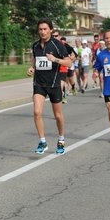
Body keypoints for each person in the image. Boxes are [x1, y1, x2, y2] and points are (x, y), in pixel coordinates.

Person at [27, 18, 72, 155]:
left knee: (57, 115)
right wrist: (32, 67)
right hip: (39, 83)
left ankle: (61, 139)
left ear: (51, 30)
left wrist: (55, 60)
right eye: (40, 29)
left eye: (45, 29)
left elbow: (69, 62)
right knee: (36, 112)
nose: (43, 31)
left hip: (54, 84)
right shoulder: (35, 46)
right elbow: (35, 58)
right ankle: (42, 141)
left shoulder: (57, 44)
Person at [52, 30, 77, 103]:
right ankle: (62, 96)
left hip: (63, 68)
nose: (54, 37)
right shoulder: (49, 45)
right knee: (59, 85)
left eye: (56, 36)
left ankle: (72, 88)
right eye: (52, 36)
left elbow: (74, 55)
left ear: (60, 36)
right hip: (54, 69)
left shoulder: (64, 45)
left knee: (67, 82)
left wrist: (69, 61)